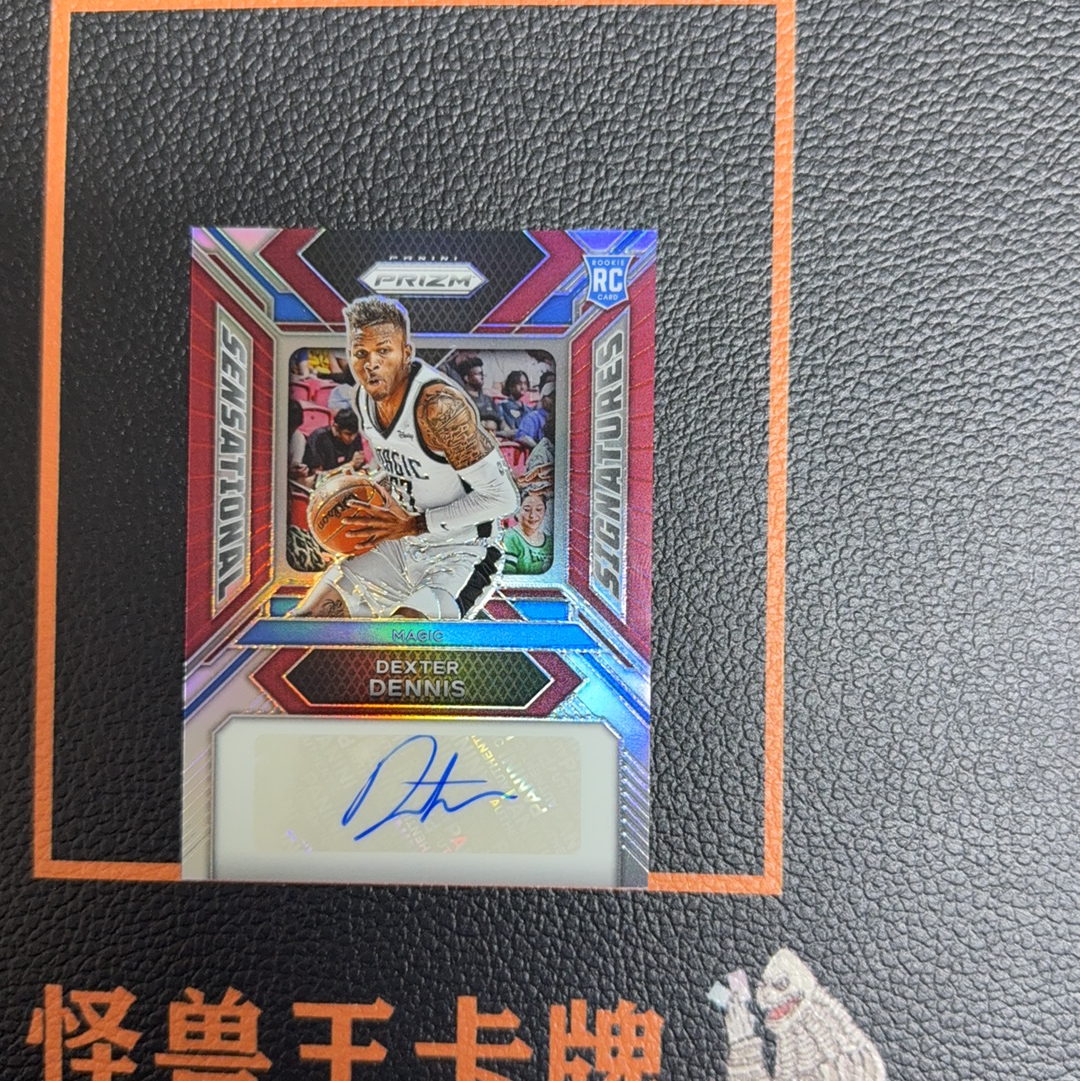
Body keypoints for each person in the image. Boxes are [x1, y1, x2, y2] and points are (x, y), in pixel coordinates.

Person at [291, 296, 520, 620]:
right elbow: (408, 470)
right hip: (399, 544)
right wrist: (359, 495)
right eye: (361, 353)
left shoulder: (439, 408)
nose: (371, 364)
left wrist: (414, 524)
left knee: (403, 634)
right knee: (305, 621)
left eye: (383, 351)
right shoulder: (365, 397)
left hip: (461, 552)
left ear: (406, 353)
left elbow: (504, 498)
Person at [503, 492, 553, 575]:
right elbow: (509, 575)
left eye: (539, 509)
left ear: (545, 511)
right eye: (527, 509)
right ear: (516, 511)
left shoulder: (551, 542)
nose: (532, 515)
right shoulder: (510, 538)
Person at [303, 408, 361, 472]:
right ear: (336, 428)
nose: (352, 438)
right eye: (348, 434)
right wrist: (349, 465)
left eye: (355, 434)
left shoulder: (356, 437)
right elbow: (317, 474)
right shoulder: (319, 438)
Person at [457, 355, 501, 431]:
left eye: (482, 373)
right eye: (478, 374)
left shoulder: (488, 399)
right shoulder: (462, 400)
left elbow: (500, 421)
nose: (482, 376)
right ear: (467, 378)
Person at [515, 372, 554, 450]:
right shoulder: (533, 417)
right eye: (550, 396)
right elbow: (522, 437)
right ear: (543, 398)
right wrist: (539, 449)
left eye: (555, 396)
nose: (553, 400)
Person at [497, 370, 532, 437]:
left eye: (525, 383)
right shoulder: (502, 405)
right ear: (511, 386)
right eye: (519, 384)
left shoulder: (528, 409)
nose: (522, 387)